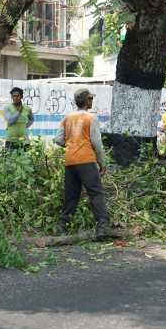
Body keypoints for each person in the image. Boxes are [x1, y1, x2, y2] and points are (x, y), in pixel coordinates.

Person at [53, 88, 115, 238]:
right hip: (86, 160)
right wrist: (102, 163)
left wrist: (71, 145)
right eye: (90, 99)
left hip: (70, 160)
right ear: (86, 101)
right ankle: (102, 226)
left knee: (71, 195)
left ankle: (62, 226)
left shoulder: (67, 118)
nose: (91, 101)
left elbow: (58, 139)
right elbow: (96, 143)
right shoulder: (90, 118)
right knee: (95, 192)